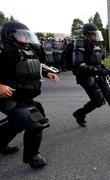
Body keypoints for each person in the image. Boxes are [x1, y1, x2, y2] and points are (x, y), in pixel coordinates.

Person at [0, 22, 60, 168]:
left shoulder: (26, 49)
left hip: (23, 96)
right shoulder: (2, 50)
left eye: (26, 35)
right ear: (9, 36)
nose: (25, 38)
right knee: (35, 122)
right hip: (7, 97)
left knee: (18, 121)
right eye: (21, 35)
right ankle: (33, 156)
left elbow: (33, 65)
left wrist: (47, 73)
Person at [72, 23, 110, 127]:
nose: (96, 36)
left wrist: (105, 69)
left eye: (96, 34)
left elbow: (98, 62)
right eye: (93, 34)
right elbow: (79, 65)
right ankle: (79, 114)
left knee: (109, 94)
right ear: (87, 34)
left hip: (97, 74)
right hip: (86, 77)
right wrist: (98, 70)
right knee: (98, 101)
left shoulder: (95, 45)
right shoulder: (80, 43)